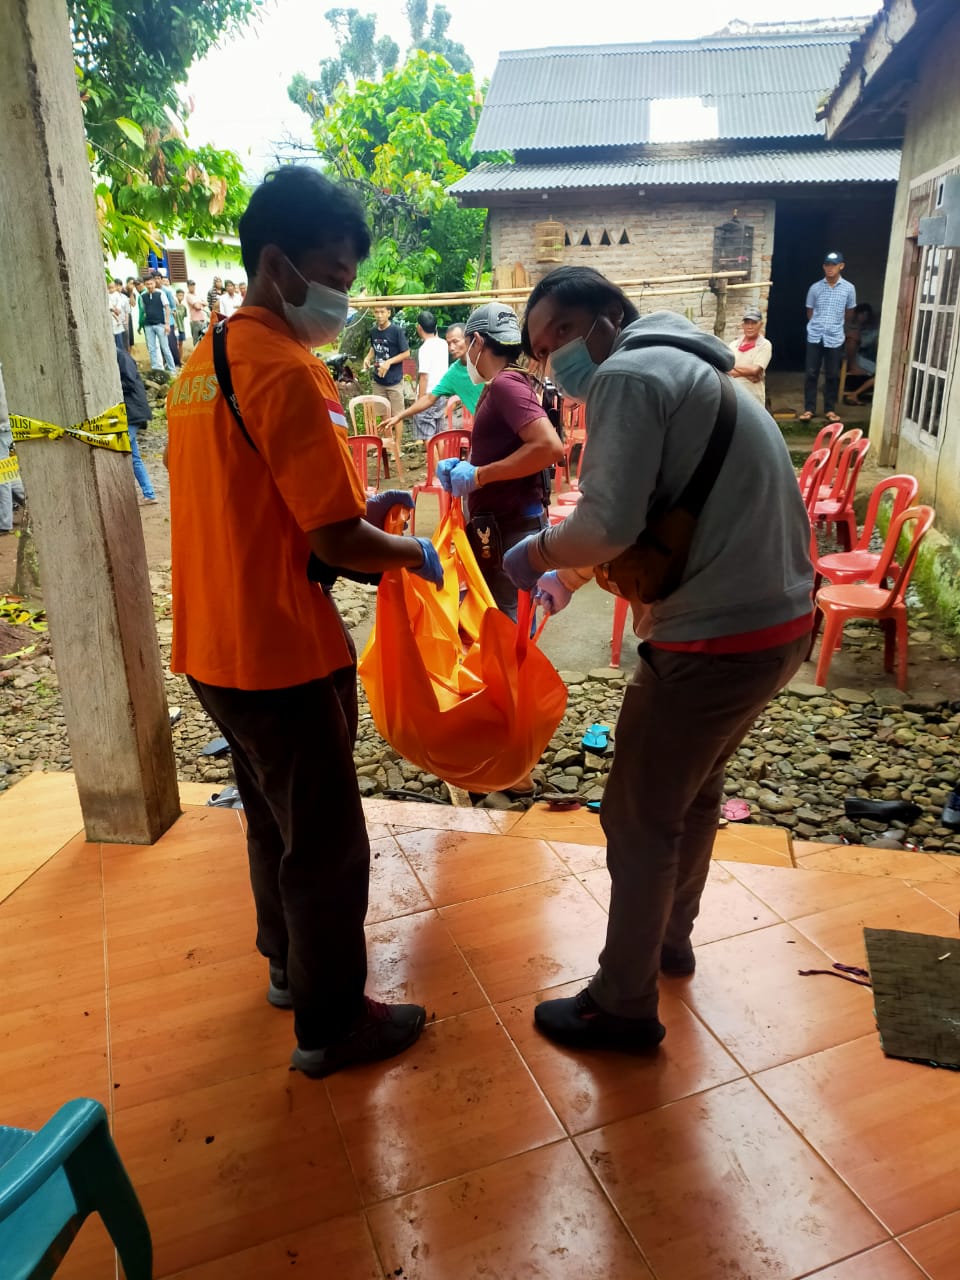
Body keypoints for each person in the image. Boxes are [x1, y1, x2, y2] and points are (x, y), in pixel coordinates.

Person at [165, 165, 444, 1079]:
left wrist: (366, 506)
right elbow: (333, 535)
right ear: (277, 265)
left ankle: (288, 964)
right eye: (334, 274)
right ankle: (332, 1024)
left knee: (271, 816)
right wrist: (407, 550)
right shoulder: (288, 369)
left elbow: (256, 504)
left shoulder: (199, 367)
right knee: (326, 843)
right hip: (280, 650)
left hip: (214, 644)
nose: (343, 296)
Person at [502, 265, 813, 1053]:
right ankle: (671, 941)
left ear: (610, 315)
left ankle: (624, 1002)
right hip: (778, 626)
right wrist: (569, 573)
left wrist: (535, 554)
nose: (557, 361)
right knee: (694, 793)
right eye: (542, 351)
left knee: (637, 815)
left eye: (563, 335)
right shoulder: (699, 373)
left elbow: (606, 522)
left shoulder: (633, 374)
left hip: (715, 638)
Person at [436, 302, 564, 622]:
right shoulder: (505, 383)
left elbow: (548, 447)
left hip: (511, 527)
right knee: (504, 619)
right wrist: (465, 465)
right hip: (500, 527)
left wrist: (479, 475)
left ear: (478, 342)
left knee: (507, 626)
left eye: (466, 346)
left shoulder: (506, 384)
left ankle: (515, 675)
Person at [383, 323, 483, 437]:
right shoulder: (453, 373)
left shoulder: (485, 360)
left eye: (455, 342)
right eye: (449, 343)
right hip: (484, 428)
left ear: (468, 339)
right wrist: (399, 416)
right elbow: (429, 398)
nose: (451, 348)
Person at [802, 250, 856, 422]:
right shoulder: (815, 288)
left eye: (834, 265)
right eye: (827, 265)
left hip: (835, 337)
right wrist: (818, 324)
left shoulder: (849, 288)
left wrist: (835, 325)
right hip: (815, 335)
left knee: (832, 374)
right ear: (823, 267)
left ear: (841, 266)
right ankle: (809, 409)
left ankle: (830, 410)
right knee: (811, 373)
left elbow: (849, 312)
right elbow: (810, 311)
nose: (830, 268)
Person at [116, 346, 157, 504]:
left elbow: (130, 382)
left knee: (121, 449)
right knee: (134, 457)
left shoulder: (121, 357)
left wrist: (110, 385)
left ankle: (123, 498)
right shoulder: (120, 356)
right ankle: (149, 493)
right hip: (130, 411)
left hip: (133, 412)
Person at [364, 306, 409, 418]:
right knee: (383, 414)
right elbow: (374, 347)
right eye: (376, 312)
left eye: (382, 312)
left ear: (388, 313)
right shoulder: (373, 331)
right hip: (378, 380)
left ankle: (398, 437)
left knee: (397, 415)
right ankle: (387, 436)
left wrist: (389, 362)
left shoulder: (396, 331)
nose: (379, 315)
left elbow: (406, 353)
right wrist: (368, 358)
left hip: (394, 381)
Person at [410, 310, 449, 440]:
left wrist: (420, 400)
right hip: (441, 393)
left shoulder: (424, 348)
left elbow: (424, 377)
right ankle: (443, 460)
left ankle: (434, 461)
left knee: (428, 437)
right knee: (439, 435)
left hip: (428, 395)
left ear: (419, 327)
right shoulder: (443, 343)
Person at [0, 363, 26, 535]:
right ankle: (31, 502)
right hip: (7, 425)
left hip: (1, 427)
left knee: (2, 476)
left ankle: (3, 522)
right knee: (8, 472)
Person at [727, 306, 772, 406]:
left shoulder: (765, 345)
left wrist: (731, 364)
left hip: (754, 399)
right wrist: (748, 374)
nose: (750, 326)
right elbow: (726, 370)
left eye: (754, 323)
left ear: (761, 324)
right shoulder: (733, 345)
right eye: (747, 323)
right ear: (743, 325)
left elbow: (755, 370)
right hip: (733, 396)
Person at [843, 302, 879, 405]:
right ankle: (854, 394)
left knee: (880, 374)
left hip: (866, 358)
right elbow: (861, 343)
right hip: (852, 359)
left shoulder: (869, 329)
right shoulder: (850, 327)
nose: (864, 317)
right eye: (862, 314)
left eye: (866, 315)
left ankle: (854, 394)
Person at [139, 277, 176, 372]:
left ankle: (172, 369)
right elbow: (143, 310)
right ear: (145, 285)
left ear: (154, 283)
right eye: (147, 284)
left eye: (151, 283)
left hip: (160, 324)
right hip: (148, 325)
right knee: (152, 348)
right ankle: (156, 369)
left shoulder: (160, 293)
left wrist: (167, 324)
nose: (150, 286)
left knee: (165, 348)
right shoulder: (143, 296)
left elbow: (167, 308)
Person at [108, 279, 130, 354]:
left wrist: (117, 309)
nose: (111, 289)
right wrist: (114, 309)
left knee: (123, 343)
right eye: (109, 288)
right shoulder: (107, 295)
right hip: (112, 323)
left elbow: (123, 309)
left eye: (113, 287)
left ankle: (126, 360)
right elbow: (109, 306)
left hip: (121, 323)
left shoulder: (120, 296)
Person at [185, 280, 208, 346]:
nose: (192, 287)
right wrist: (201, 304)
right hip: (195, 321)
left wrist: (199, 303)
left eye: (193, 285)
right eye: (190, 285)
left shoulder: (198, 295)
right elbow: (197, 307)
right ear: (188, 286)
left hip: (203, 319)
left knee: (204, 339)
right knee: (197, 341)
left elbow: (206, 303)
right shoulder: (188, 296)